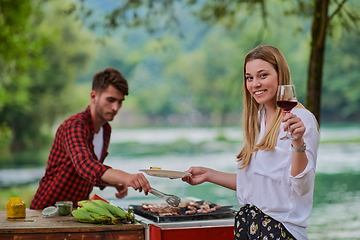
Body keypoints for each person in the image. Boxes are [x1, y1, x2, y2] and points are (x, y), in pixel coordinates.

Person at [182, 45, 319, 240]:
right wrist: (208, 174)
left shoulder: (301, 119)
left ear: (281, 75)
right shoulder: (256, 119)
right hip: (249, 228)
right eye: (249, 77)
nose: (255, 84)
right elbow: (253, 185)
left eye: (263, 75)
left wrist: (297, 142)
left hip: (280, 230)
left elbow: (303, 187)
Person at [30, 67, 151, 210]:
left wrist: (112, 182)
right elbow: (84, 164)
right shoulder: (75, 126)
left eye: (120, 101)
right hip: (46, 210)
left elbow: (89, 173)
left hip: (75, 212)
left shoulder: (106, 129)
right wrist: (126, 177)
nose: (116, 108)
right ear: (94, 96)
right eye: (111, 100)